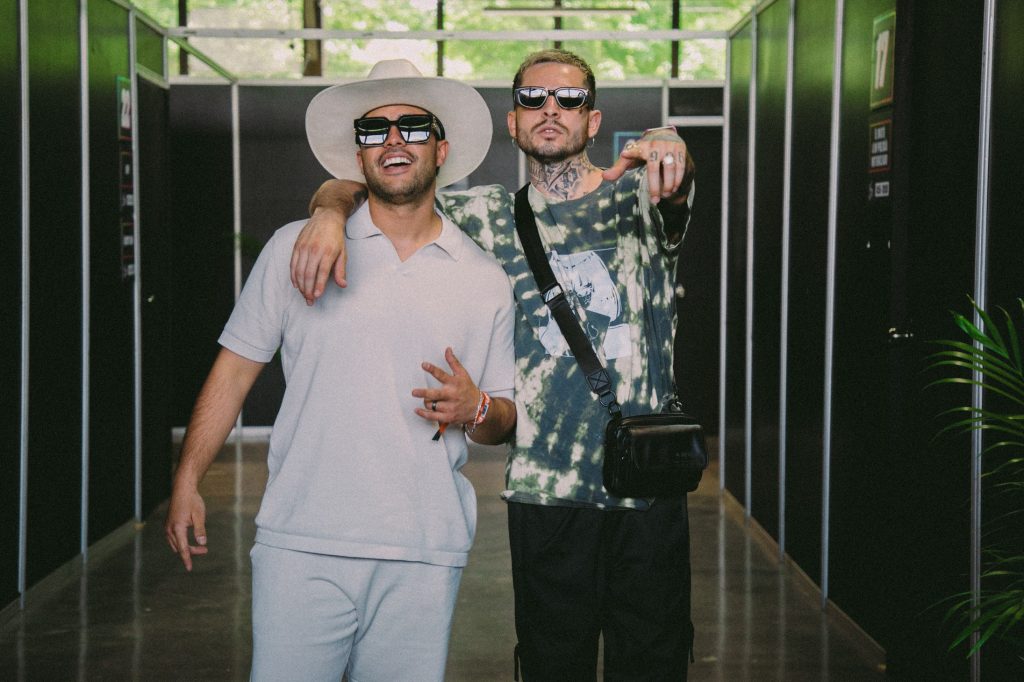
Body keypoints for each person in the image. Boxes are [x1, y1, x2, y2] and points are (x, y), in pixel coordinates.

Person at [292, 49, 696, 681]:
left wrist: (671, 143)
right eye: (533, 99)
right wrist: (327, 212)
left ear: (592, 120)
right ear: (513, 122)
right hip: (545, 489)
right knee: (552, 665)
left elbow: (678, 175)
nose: (550, 109)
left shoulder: (639, 201)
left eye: (569, 99)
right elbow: (372, 186)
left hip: (647, 483)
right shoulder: (483, 215)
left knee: (654, 667)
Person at [164, 59, 516, 682]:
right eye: (375, 130)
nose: (393, 141)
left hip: (423, 547)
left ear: (441, 149)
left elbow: (503, 419)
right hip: (300, 541)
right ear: (359, 157)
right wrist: (187, 477)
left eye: (413, 127)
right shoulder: (294, 249)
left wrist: (477, 408)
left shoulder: (484, 279)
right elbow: (235, 370)